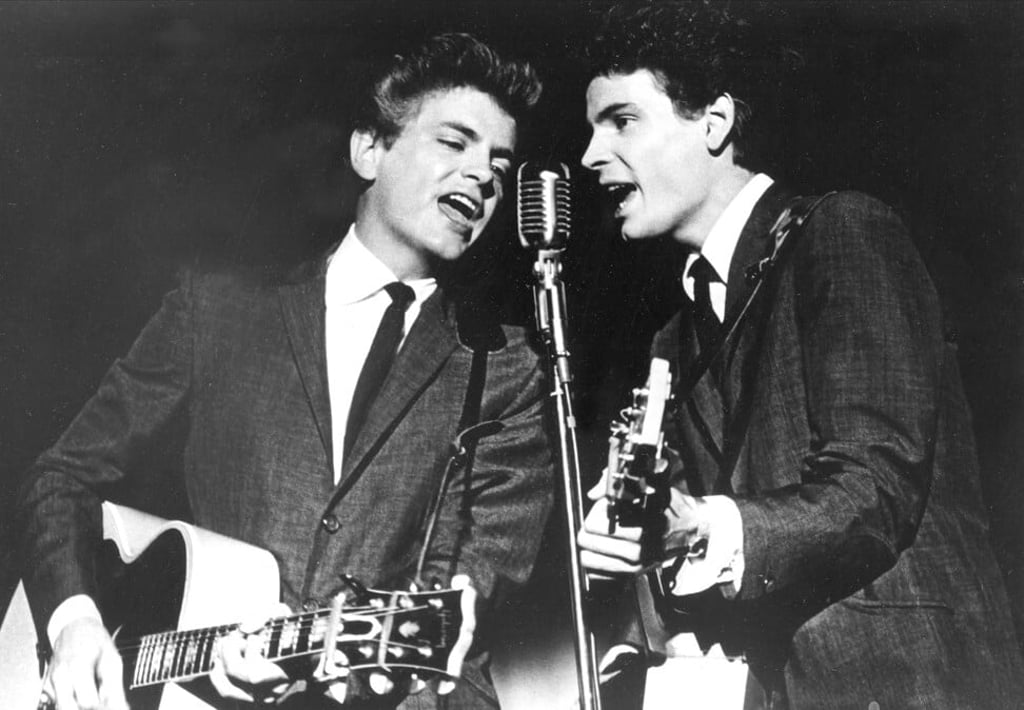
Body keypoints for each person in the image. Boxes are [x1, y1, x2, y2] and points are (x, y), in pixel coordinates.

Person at [17, 32, 553, 710]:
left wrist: (309, 666)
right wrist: (74, 624)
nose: (482, 176)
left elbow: (467, 589)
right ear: (369, 149)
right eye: (454, 142)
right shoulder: (218, 309)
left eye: (500, 167)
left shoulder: (509, 369)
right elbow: (60, 478)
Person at [575, 4, 1024, 709]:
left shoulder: (842, 232)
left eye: (622, 121)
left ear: (715, 123)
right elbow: (701, 537)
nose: (589, 156)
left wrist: (700, 525)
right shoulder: (672, 338)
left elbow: (875, 483)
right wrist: (643, 552)